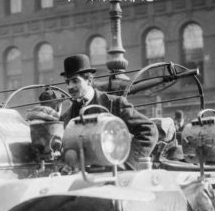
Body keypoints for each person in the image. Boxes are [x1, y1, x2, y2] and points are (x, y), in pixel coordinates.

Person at [27, 54, 157, 169]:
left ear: (89, 80)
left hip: (115, 176)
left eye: (75, 81)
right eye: (67, 82)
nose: (70, 87)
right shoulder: (66, 118)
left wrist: (127, 164)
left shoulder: (115, 104)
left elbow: (148, 130)